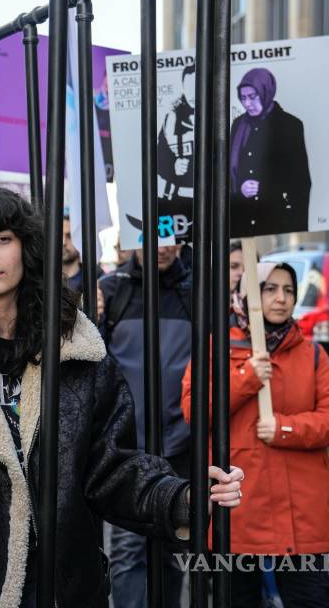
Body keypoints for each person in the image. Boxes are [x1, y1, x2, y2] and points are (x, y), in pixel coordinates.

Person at [0, 187, 243, 607]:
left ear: (27, 247)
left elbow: (112, 467)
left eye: (2, 239)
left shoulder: (74, 350)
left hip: (59, 587)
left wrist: (181, 498)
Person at [182, 262, 329, 608]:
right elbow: (194, 412)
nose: (281, 298)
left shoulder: (312, 353)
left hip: (301, 515)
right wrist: (247, 377)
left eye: (288, 290)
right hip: (241, 509)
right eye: (269, 289)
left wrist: (286, 428)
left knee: (310, 601)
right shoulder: (216, 348)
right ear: (246, 296)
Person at [98, 244, 193, 608]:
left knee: (174, 552)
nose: (161, 245)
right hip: (129, 449)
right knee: (128, 553)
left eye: (169, 234)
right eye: (153, 233)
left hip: (181, 445)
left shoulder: (196, 291)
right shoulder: (111, 290)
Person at [229, 68, 311, 237]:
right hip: (243, 219)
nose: (247, 103)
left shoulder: (289, 125)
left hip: (276, 219)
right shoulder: (238, 125)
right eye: (243, 98)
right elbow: (227, 172)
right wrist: (239, 189)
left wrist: (266, 187)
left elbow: (300, 180)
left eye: (252, 96)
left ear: (266, 92)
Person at [157, 64, 196, 206]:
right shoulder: (171, 118)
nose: (191, 94)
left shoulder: (223, 116)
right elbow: (159, 158)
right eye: (187, 87)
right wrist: (173, 165)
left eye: (195, 86)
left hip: (213, 198)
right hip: (178, 199)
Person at [62, 214, 83, 294]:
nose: (63, 242)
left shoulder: (97, 279)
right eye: (59, 236)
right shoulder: (42, 280)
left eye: (69, 236)